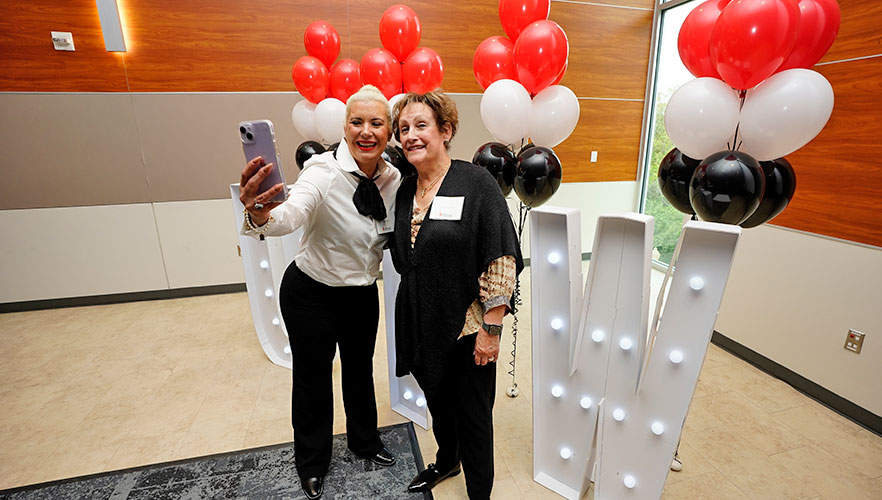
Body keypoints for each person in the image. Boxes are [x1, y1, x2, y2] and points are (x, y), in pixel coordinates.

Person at [238, 85, 401, 500]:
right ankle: (311, 463)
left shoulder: (393, 177)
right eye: (357, 122)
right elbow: (292, 212)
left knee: (360, 373)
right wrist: (261, 212)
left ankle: (366, 442)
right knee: (312, 380)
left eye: (376, 123)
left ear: (388, 131)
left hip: (361, 294)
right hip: (312, 293)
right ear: (345, 129)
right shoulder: (321, 171)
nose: (366, 131)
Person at [388, 90, 523, 500]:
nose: (410, 135)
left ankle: (479, 492)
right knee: (438, 403)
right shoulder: (405, 191)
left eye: (421, 125)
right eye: (404, 128)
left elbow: (500, 255)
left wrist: (491, 328)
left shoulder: (476, 183)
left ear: (445, 131)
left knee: (474, 418)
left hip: (468, 324)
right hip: (421, 320)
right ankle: (447, 461)